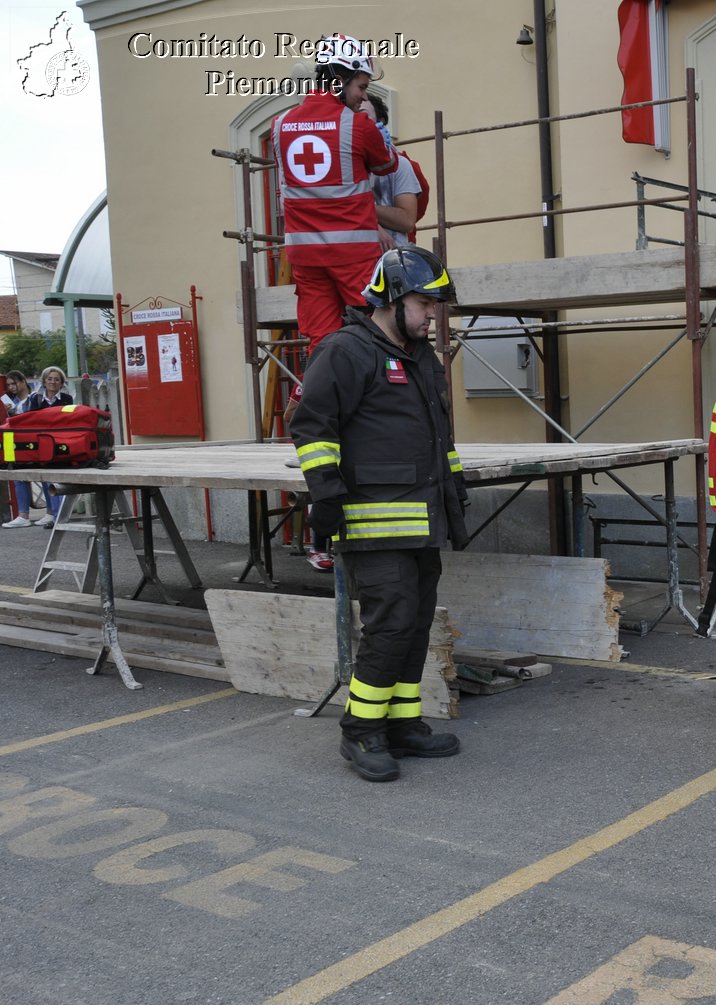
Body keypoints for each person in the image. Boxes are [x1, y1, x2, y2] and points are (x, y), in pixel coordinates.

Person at [289, 246, 468, 782]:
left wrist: (454, 492)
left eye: (436, 305)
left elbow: (440, 440)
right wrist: (325, 496)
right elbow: (311, 426)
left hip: (423, 521)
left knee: (413, 625)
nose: (432, 314)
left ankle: (402, 724)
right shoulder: (346, 351)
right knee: (389, 625)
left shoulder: (419, 358)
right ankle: (361, 730)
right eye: (424, 302)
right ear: (391, 297)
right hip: (373, 523)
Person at [272, 33, 396, 354]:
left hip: (306, 258)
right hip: (353, 255)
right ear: (340, 79)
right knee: (376, 333)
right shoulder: (357, 124)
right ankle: (377, 402)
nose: (362, 96)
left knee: (322, 343)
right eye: (362, 87)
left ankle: (323, 400)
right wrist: (377, 131)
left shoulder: (279, 125)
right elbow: (386, 165)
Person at [16, 366, 74, 528]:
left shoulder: (67, 399)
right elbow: (32, 420)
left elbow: (67, 421)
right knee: (44, 478)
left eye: (56, 379)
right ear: (44, 381)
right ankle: (51, 513)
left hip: (60, 442)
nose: (53, 382)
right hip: (40, 442)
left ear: (61, 382)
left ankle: (57, 515)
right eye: (49, 379)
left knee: (55, 479)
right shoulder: (36, 398)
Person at [364, 95, 424, 248]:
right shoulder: (338, 163)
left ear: (381, 123)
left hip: (390, 259)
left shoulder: (400, 165)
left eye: (364, 116)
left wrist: (357, 206)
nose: (358, 122)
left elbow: (407, 220)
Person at [2, 371, 35, 527]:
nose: (11, 387)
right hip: (16, 442)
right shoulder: (13, 402)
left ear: (23, 381)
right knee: (17, 476)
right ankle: (23, 514)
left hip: (32, 440)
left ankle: (52, 512)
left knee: (45, 477)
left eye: (13, 383)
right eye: (8, 385)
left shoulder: (34, 398)